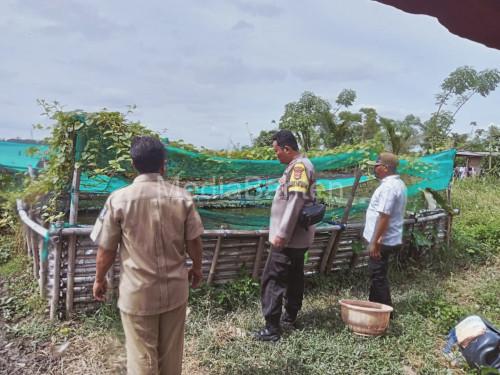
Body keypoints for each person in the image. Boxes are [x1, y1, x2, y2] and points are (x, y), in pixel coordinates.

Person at [91, 136, 204, 375]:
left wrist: (100, 278)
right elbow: (194, 241)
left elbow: (106, 249)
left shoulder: (118, 199)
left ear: (133, 164)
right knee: (171, 355)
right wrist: (196, 268)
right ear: (164, 163)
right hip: (175, 289)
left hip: (138, 292)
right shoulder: (183, 197)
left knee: (142, 356)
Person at [255, 130, 316, 342]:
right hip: (298, 238)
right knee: (294, 276)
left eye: (277, 151)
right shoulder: (298, 165)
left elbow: (296, 201)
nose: (276, 155)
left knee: (272, 279)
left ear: (287, 149)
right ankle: (289, 317)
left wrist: (282, 233)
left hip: (289, 238)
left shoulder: (299, 167)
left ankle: (272, 328)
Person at [364, 152, 407, 312]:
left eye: (377, 166)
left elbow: (384, 216)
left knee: (378, 277)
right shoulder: (398, 184)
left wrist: (376, 241)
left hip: (383, 240)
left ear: (385, 168)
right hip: (387, 238)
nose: (375, 169)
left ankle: (386, 313)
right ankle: (374, 308)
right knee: (377, 275)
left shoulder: (389, 187)